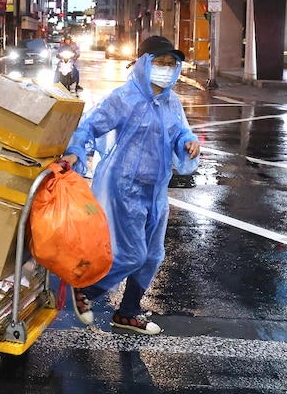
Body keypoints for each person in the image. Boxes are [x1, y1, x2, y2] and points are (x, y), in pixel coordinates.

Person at [59, 35, 200, 335]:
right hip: (124, 188)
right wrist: (74, 152)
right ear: (143, 64)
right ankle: (87, 292)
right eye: (159, 62)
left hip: (156, 191)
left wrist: (189, 143)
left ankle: (128, 312)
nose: (166, 69)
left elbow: (180, 132)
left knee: (152, 255)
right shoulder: (125, 98)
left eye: (170, 64)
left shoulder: (170, 101)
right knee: (132, 253)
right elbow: (87, 126)